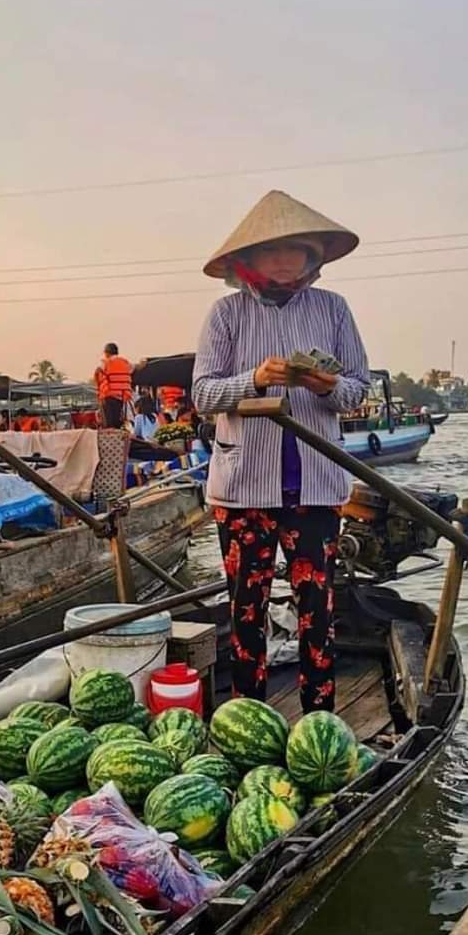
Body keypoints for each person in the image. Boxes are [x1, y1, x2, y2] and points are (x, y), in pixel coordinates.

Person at [193, 189, 371, 712]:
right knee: (246, 608)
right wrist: (254, 379)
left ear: (313, 257)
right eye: (274, 250)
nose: (287, 261)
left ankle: (320, 714)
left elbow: (357, 390)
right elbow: (203, 394)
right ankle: (246, 713)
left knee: (317, 603)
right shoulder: (226, 315)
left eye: (298, 250)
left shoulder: (333, 309)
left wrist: (324, 386)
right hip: (243, 483)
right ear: (247, 261)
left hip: (316, 486)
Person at [94, 342, 133, 428]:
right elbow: (132, 370)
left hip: (108, 395)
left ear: (107, 353)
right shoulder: (126, 363)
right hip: (121, 396)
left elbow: (97, 375)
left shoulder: (105, 363)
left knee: (108, 423)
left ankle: (110, 438)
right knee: (117, 421)